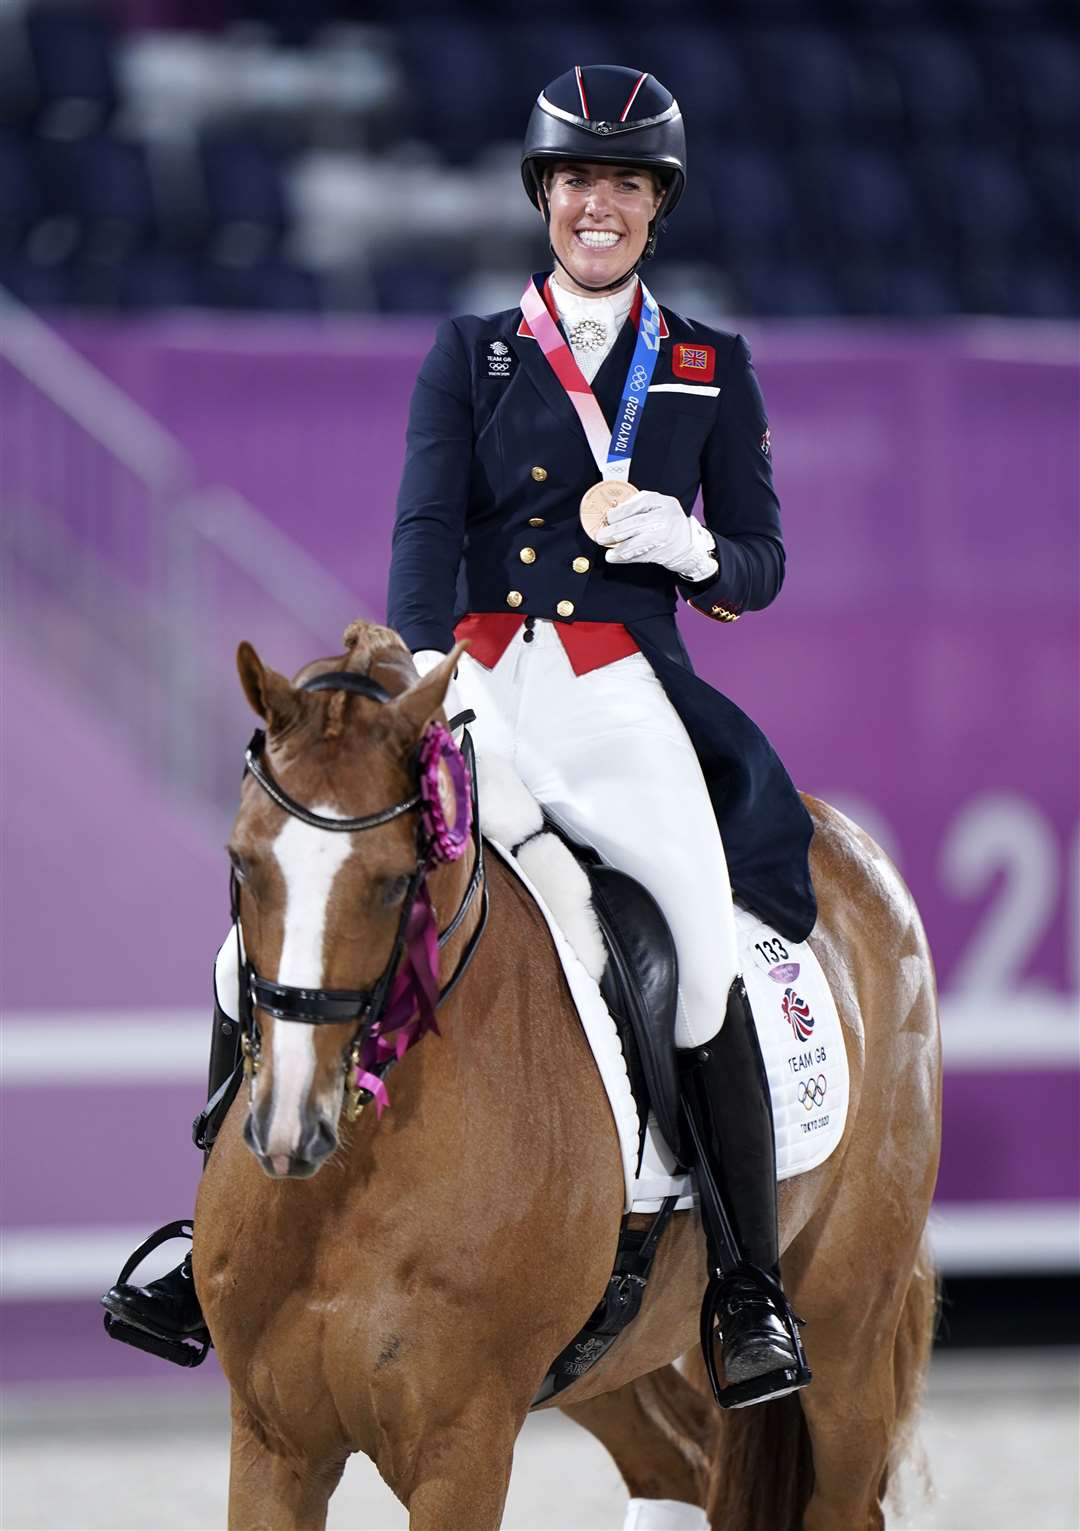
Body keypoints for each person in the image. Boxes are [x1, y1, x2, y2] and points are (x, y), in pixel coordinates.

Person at [103, 63, 815, 1410]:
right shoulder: (475, 350)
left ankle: (744, 1285)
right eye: (574, 184)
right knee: (280, 921)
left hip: (617, 693)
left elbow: (762, 564)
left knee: (698, 948)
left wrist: (693, 544)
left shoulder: (713, 366)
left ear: (654, 206)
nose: (595, 207)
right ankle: (209, 1226)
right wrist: (427, 662)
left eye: (623, 186)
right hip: (478, 682)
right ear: (543, 198)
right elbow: (425, 523)